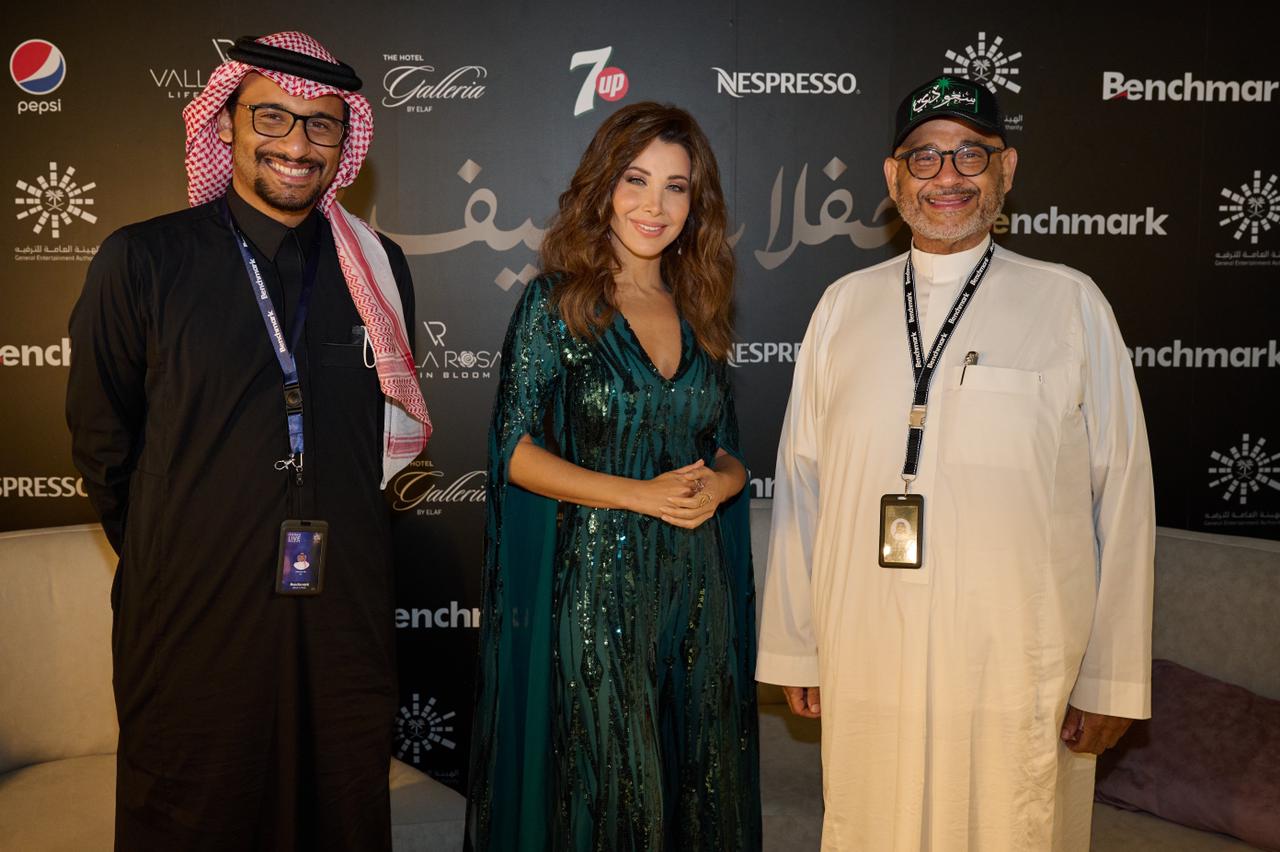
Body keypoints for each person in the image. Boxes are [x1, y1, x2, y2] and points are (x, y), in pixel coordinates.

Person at [757, 75, 1155, 851]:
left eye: (970, 154)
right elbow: (802, 487)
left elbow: (1124, 499)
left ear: (1006, 169)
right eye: (925, 157)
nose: (947, 176)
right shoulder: (843, 306)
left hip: (1016, 662)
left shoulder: (1070, 303)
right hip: (868, 648)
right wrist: (797, 645)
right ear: (892, 176)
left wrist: (1111, 676)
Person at [65, 32, 430, 852]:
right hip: (193, 596)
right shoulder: (143, 258)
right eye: (272, 117)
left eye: (321, 124)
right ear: (225, 122)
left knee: (339, 789)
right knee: (198, 795)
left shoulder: (378, 267)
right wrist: (178, 541)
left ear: (345, 141)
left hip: (341, 598)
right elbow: (102, 440)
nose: (296, 144)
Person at [466, 102, 761, 851]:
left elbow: (727, 450)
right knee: (615, 792)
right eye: (636, 180)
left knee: (700, 784)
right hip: (598, 584)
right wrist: (639, 495)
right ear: (604, 186)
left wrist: (722, 486)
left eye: (675, 187)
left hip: (697, 588)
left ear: (695, 204)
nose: (654, 205)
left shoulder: (700, 307)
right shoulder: (556, 304)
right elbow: (513, 454)